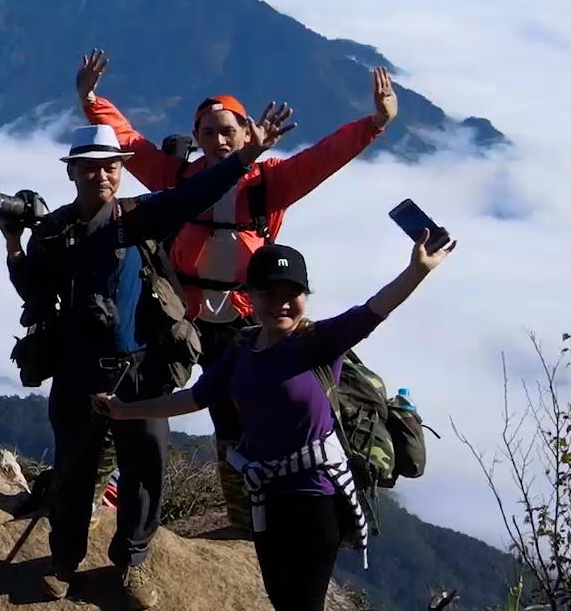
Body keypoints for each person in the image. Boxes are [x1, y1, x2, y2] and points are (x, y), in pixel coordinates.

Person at [75, 50, 398, 531]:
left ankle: (243, 519)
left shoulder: (270, 184)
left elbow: (323, 157)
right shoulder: (178, 178)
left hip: (246, 320)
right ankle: (89, 494)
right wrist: (90, 100)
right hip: (178, 315)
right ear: (197, 137)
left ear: (248, 134)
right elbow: (130, 142)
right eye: (208, 133)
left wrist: (376, 123)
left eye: (228, 131)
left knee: (232, 417)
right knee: (133, 394)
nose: (219, 141)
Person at [6, 115, 293, 609]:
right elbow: (33, 291)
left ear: (121, 170)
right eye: (91, 167)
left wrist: (247, 157)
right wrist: (13, 243)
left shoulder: (139, 217)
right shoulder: (52, 233)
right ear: (71, 172)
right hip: (76, 371)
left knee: (145, 470)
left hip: (140, 371)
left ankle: (131, 559)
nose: (102, 175)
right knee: (73, 471)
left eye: (111, 166)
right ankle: (64, 561)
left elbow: (197, 193)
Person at [94, 232, 457, 611]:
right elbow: (194, 398)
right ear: (249, 295)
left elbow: (375, 309)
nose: (281, 303)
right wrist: (123, 410)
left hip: (316, 498)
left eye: (292, 293)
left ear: (305, 296)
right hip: (265, 497)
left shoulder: (319, 341)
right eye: (269, 293)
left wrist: (417, 271)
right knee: (281, 600)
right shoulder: (241, 350)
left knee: (303, 604)